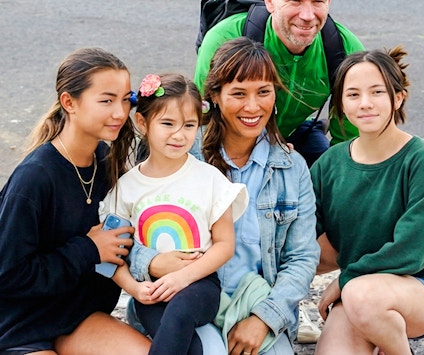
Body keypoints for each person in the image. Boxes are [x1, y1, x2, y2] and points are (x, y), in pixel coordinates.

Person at [128, 38, 320, 354]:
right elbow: (128, 233)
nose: (253, 106)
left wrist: (264, 318)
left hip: (255, 303)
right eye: (239, 93)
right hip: (187, 297)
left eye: (264, 91)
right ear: (215, 96)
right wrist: (153, 262)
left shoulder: (291, 167)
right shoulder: (181, 151)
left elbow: (301, 256)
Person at [0, 47, 151, 355]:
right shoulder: (35, 178)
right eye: (106, 100)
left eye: (125, 99)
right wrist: (88, 250)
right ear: (69, 102)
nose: (120, 113)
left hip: (78, 317)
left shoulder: (107, 161)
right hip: (20, 325)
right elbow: (7, 276)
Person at [310, 47, 424, 355]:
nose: (365, 104)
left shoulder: (421, 158)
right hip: (359, 293)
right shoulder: (329, 164)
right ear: (340, 104)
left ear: (398, 97)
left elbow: (413, 249)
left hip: (421, 286)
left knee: (362, 296)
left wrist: (344, 280)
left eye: (377, 92)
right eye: (353, 94)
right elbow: (303, 236)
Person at [99, 72, 248, 355]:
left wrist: (184, 277)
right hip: (150, 291)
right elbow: (110, 258)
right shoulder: (126, 188)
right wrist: (134, 288)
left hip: (199, 285)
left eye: (189, 125)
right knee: (189, 347)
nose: (180, 135)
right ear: (142, 123)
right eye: (167, 123)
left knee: (179, 316)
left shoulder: (210, 179)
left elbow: (225, 245)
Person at [194, 0, 364, 167]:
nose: (307, 15)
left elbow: (350, 139)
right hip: (233, 139)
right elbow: (202, 121)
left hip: (296, 132)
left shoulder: (345, 51)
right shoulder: (224, 40)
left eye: (318, 1)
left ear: (329, 0)